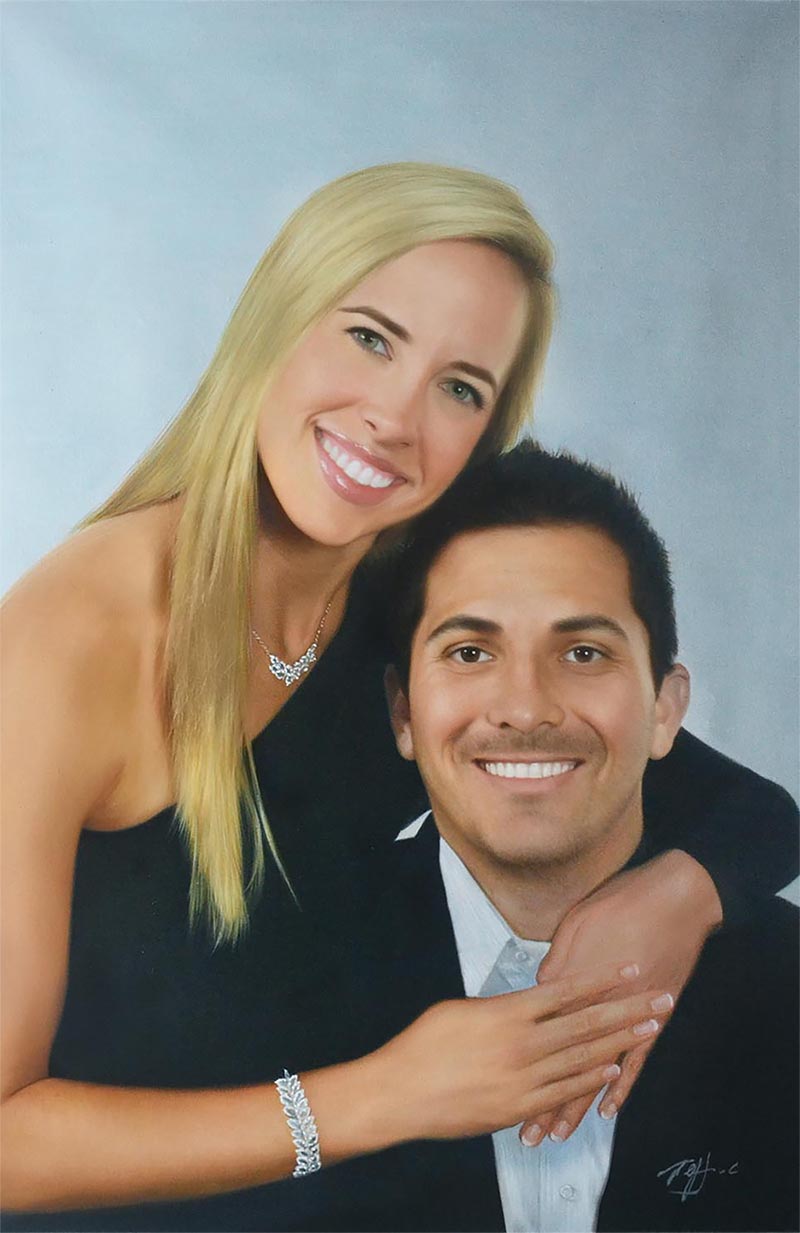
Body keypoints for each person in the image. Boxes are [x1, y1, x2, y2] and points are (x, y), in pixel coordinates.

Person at [0, 164, 796, 1228]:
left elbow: (745, 808)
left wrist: (672, 900)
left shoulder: (400, 601)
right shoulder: (72, 639)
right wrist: (384, 1097)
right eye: (370, 338)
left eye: (459, 387)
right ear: (275, 322)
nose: (392, 418)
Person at [298, 442, 797, 1232]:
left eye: (583, 652)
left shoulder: (783, 983)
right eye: (470, 651)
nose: (526, 708)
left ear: (665, 708)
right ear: (401, 711)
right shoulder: (274, 980)